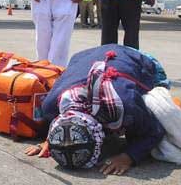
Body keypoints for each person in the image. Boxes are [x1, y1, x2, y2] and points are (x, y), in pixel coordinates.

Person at [25, 45, 166, 176]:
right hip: (87, 55)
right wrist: (55, 140)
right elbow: (64, 124)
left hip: (136, 56)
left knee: (163, 111)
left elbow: (155, 131)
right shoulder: (50, 106)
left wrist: (128, 156)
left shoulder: (126, 106)